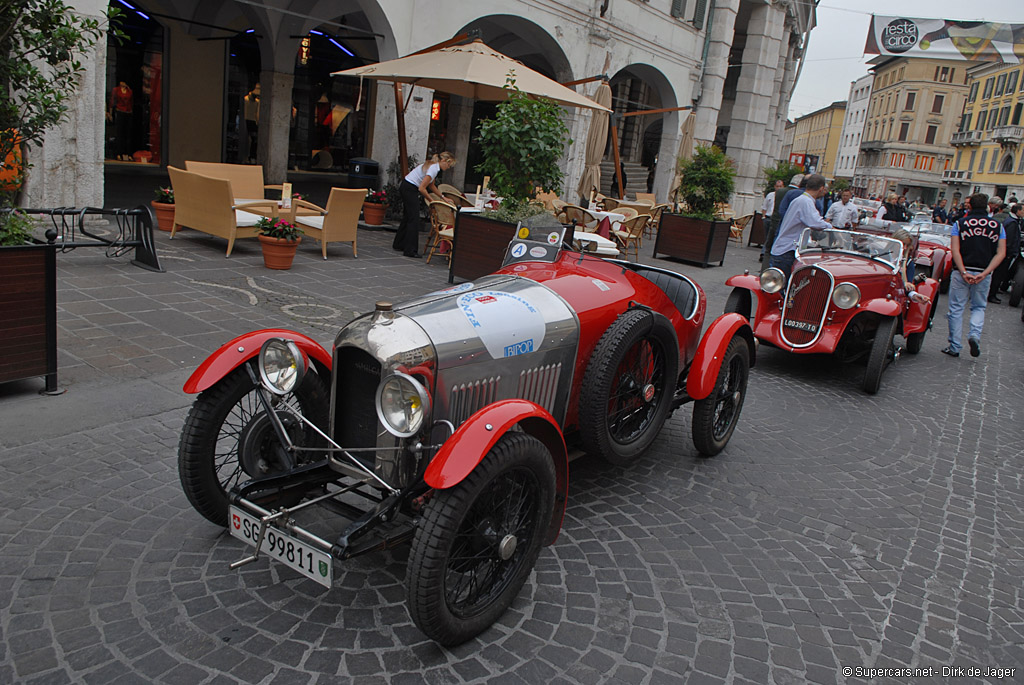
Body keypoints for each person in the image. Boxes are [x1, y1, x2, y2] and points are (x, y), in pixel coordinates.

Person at [942, 193, 1006, 358]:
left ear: (970, 206)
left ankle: (955, 346)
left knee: (956, 308)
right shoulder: (998, 226)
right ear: (988, 207)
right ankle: (974, 335)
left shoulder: (960, 223)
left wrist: (963, 271)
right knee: (978, 307)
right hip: (984, 271)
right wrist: (985, 273)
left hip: (962, 271)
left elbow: (955, 250)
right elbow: (1001, 253)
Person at [393, 152, 457, 258]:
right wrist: (432, 201)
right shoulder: (434, 169)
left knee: (408, 216)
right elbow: (422, 188)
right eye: (449, 165)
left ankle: (399, 243)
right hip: (410, 188)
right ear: (444, 161)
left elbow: (431, 185)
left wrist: (443, 197)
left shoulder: (433, 167)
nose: (448, 167)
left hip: (406, 185)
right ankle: (410, 250)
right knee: (414, 218)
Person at [769, 173, 832, 279]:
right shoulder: (805, 202)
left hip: (784, 248)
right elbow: (816, 222)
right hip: (788, 250)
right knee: (785, 289)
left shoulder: (802, 200)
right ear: (821, 188)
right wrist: (831, 228)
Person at [991, 202, 1022, 298]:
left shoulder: (1012, 220)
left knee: (999, 273)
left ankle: (994, 291)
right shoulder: (1012, 222)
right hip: (1006, 253)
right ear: (1018, 210)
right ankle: (992, 294)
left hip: (1006, 252)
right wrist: (1008, 253)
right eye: (1023, 210)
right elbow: (1009, 239)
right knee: (999, 273)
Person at [759, 179, 784, 262]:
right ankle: (764, 253)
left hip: (776, 219)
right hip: (768, 218)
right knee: (767, 236)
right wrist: (763, 217)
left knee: (773, 237)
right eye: (777, 186)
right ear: (775, 187)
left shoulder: (784, 196)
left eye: (780, 186)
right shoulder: (770, 195)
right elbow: (764, 207)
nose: (779, 188)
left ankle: (766, 253)